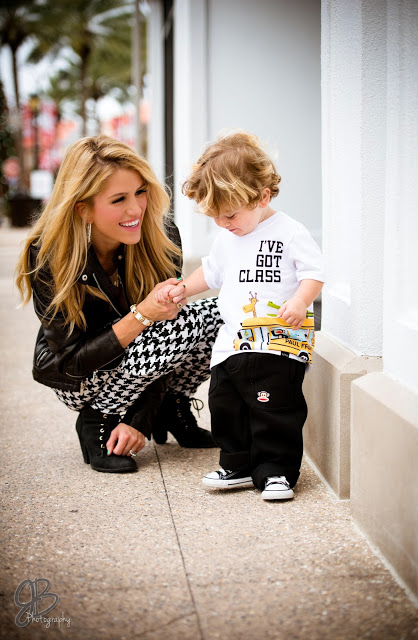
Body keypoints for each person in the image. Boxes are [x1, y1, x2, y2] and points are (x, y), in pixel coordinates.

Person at [16, 134, 222, 474]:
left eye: (140, 192)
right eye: (118, 199)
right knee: (179, 322)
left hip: (147, 366)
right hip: (81, 380)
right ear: (83, 209)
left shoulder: (163, 237)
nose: (136, 209)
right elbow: (72, 361)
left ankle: (171, 407)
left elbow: (165, 340)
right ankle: (98, 419)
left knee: (219, 314)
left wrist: (141, 419)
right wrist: (142, 315)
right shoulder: (48, 256)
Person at [155, 131, 325, 500]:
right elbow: (212, 272)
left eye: (229, 214)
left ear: (262, 197)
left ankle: (276, 470)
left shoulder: (289, 232)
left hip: (278, 344)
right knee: (225, 406)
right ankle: (237, 463)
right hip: (231, 345)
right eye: (214, 216)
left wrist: (300, 300)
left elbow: (314, 273)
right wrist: (183, 289)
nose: (222, 222)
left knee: (274, 409)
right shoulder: (227, 237)